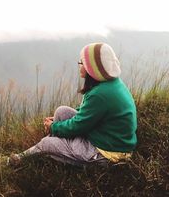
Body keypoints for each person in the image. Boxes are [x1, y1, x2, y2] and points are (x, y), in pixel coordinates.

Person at [8, 43, 137, 166]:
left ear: (92, 69)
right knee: (62, 111)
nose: (79, 65)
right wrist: (58, 124)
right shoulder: (110, 84)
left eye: (82, 63)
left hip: (107, 154)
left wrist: (54, 127)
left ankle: (18, 159)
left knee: (47, 143)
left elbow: (79, 125)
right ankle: (54, 144)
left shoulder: (100, 94)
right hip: (106, 138)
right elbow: (89, 114)